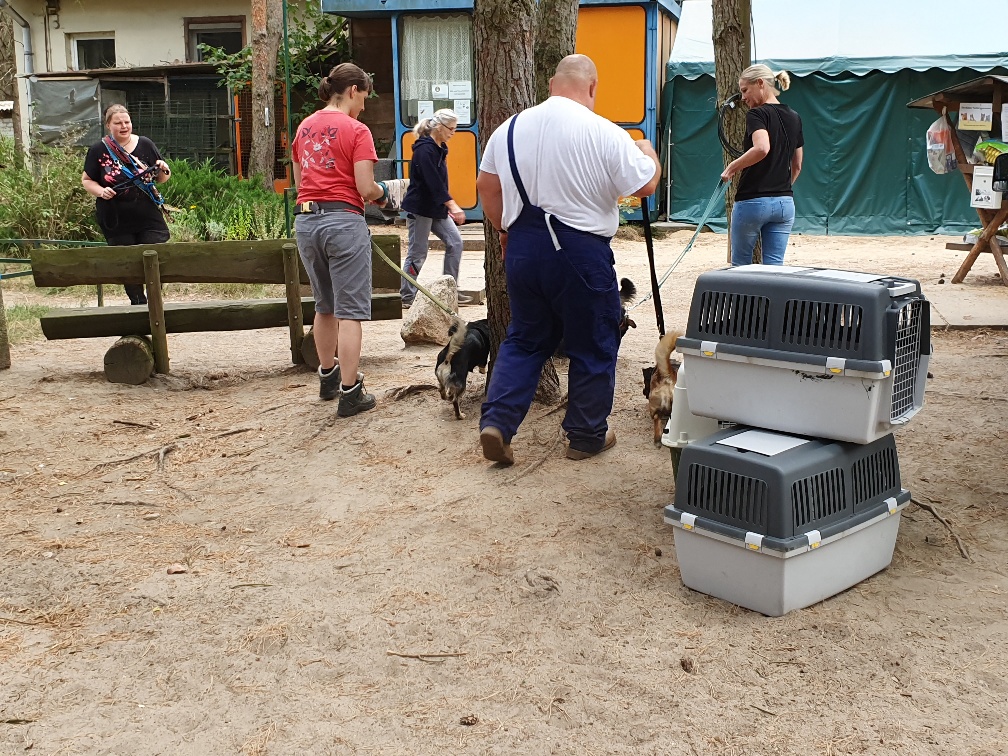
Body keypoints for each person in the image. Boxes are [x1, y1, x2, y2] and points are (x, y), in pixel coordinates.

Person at [475, 54, 660, 466]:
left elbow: (485, 186)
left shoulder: (508, 130)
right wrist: (648, 151)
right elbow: (645, 185)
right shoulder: (604, 130)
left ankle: (498, 423)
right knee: (593, 340)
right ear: (592, 87)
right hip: (581, 251)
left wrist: (505, 229)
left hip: (523, 247)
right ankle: (586, 435)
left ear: (552, 85)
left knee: (524, 338)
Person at [291, 62, 387, 417]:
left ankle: (328, 376)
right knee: (350, 311)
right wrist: (384, 193)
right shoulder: (357, 130)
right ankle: (351, 392)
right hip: (343, 222)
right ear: (352, 91)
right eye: (364, 96)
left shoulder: (304, 127)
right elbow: (365, 188)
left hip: (306, 221)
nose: (364, 104)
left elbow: (300, 183)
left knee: (324, 305)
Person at [81, 104, 172, 305]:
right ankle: (138, 304)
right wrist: (101, 191)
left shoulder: (146, 144)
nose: (124, 126)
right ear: (108, 125)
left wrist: (164, 169)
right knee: (128, 263)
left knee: (155, 256)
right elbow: (87, 180)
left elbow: (161, 178)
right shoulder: (98, 150)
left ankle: (154, 303)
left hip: (148, 215)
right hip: (115, 217)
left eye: (127, 122)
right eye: (118, 123)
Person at [720, 64, 804, 267]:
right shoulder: (795, 117)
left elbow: (762, 148)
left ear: (760, 83)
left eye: (745, 90)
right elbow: (798, 165)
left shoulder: (757, 114)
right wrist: (781, 189)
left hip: (752, 200)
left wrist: (732, 168)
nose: (743, 97)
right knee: (774, 268)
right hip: (784, 203)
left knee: (740, 266)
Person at [399, 109, 469, 309]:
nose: (453, 132)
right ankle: (407, 295)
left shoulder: (439, 148)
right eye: (451, 128)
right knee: (418, 252)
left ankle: (449, 291)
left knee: (455, 243)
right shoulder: (424, 150)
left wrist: (446, 204)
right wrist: (452, 204)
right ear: (439, 127)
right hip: (420, 208)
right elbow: (433, 182)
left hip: (436, 208)